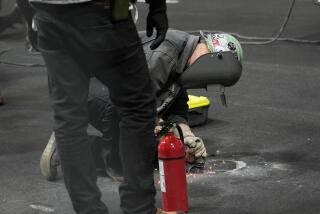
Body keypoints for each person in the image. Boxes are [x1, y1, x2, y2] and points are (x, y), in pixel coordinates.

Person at [40, 29, 243, 187]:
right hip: (86, 87)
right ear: (211, 52)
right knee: (131, 161)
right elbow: (129, 101)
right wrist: (162, 128)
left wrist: (184, 133)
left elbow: (176, 98)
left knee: (154, 155)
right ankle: (71, 147)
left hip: (111, 89)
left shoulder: (182, 54)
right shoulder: (164, 53)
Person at [29, 0, 170, 213]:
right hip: (106, 9)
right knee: (137, 107)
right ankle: (138, 207)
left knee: (69, 118)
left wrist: (29, 15)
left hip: (48, 13)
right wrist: (158, 7)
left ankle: (88, 209)